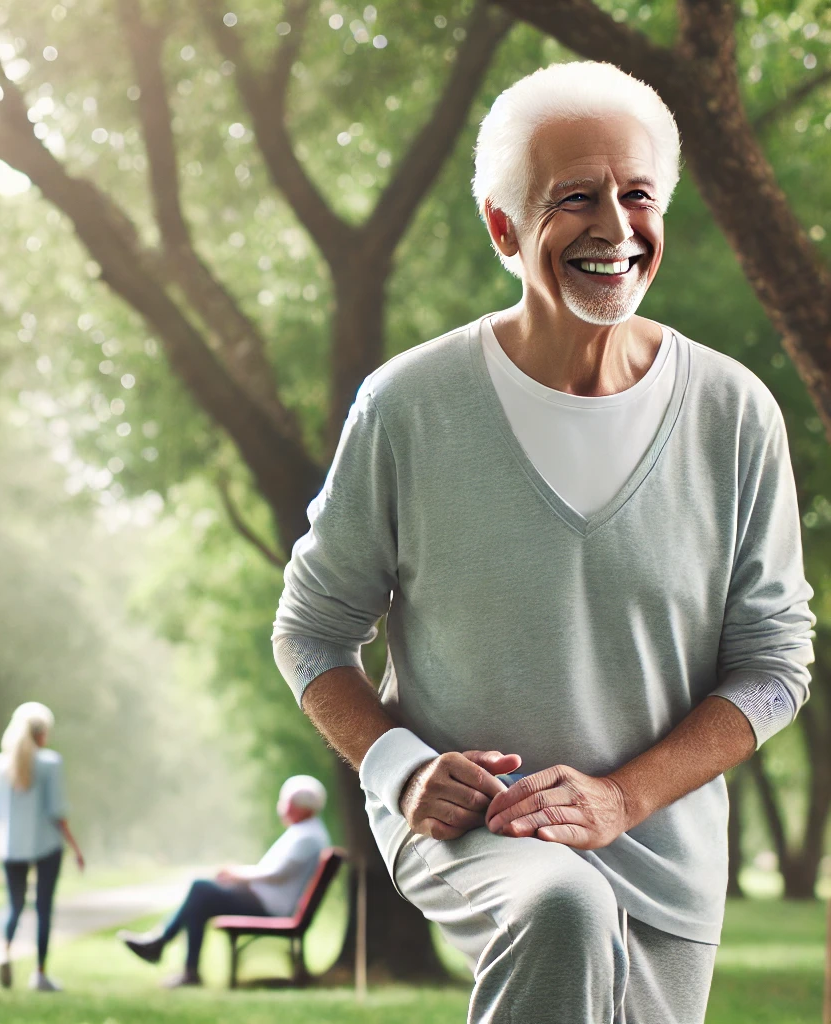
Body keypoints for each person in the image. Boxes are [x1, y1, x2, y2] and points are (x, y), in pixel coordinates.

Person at [272, 61, 815, 1024]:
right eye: (575, 198)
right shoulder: (408, 408)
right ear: (503, 229)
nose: (614, 226)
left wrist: (621, 800)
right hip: (471, 823)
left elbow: (773, 669)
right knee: (560, 903)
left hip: (662, 846)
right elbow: (312, 634)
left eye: (637, 195)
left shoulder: (735, 413)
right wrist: (400, 771)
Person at [119, 774, 330, 988]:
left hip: (269, 907)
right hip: (265, 901)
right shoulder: (306, 832)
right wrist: (236, 875)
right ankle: (177, 959)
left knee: (200, 890)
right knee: (199, 900)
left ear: (302, 808)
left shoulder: (306, 836)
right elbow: (275, 873)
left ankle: (164, 947)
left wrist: (236, 874)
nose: (282, 807)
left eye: (287, 802)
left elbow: (275, 873)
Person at [0, 701, 84, 993]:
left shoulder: (0, 764)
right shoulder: (50, 763)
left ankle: (3, 951)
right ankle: (40, 973)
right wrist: (76, 847)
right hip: (46, 845)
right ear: (42, 733)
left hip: (10, 845)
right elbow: (57, 812)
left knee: (13, 904)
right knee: (44, 908)